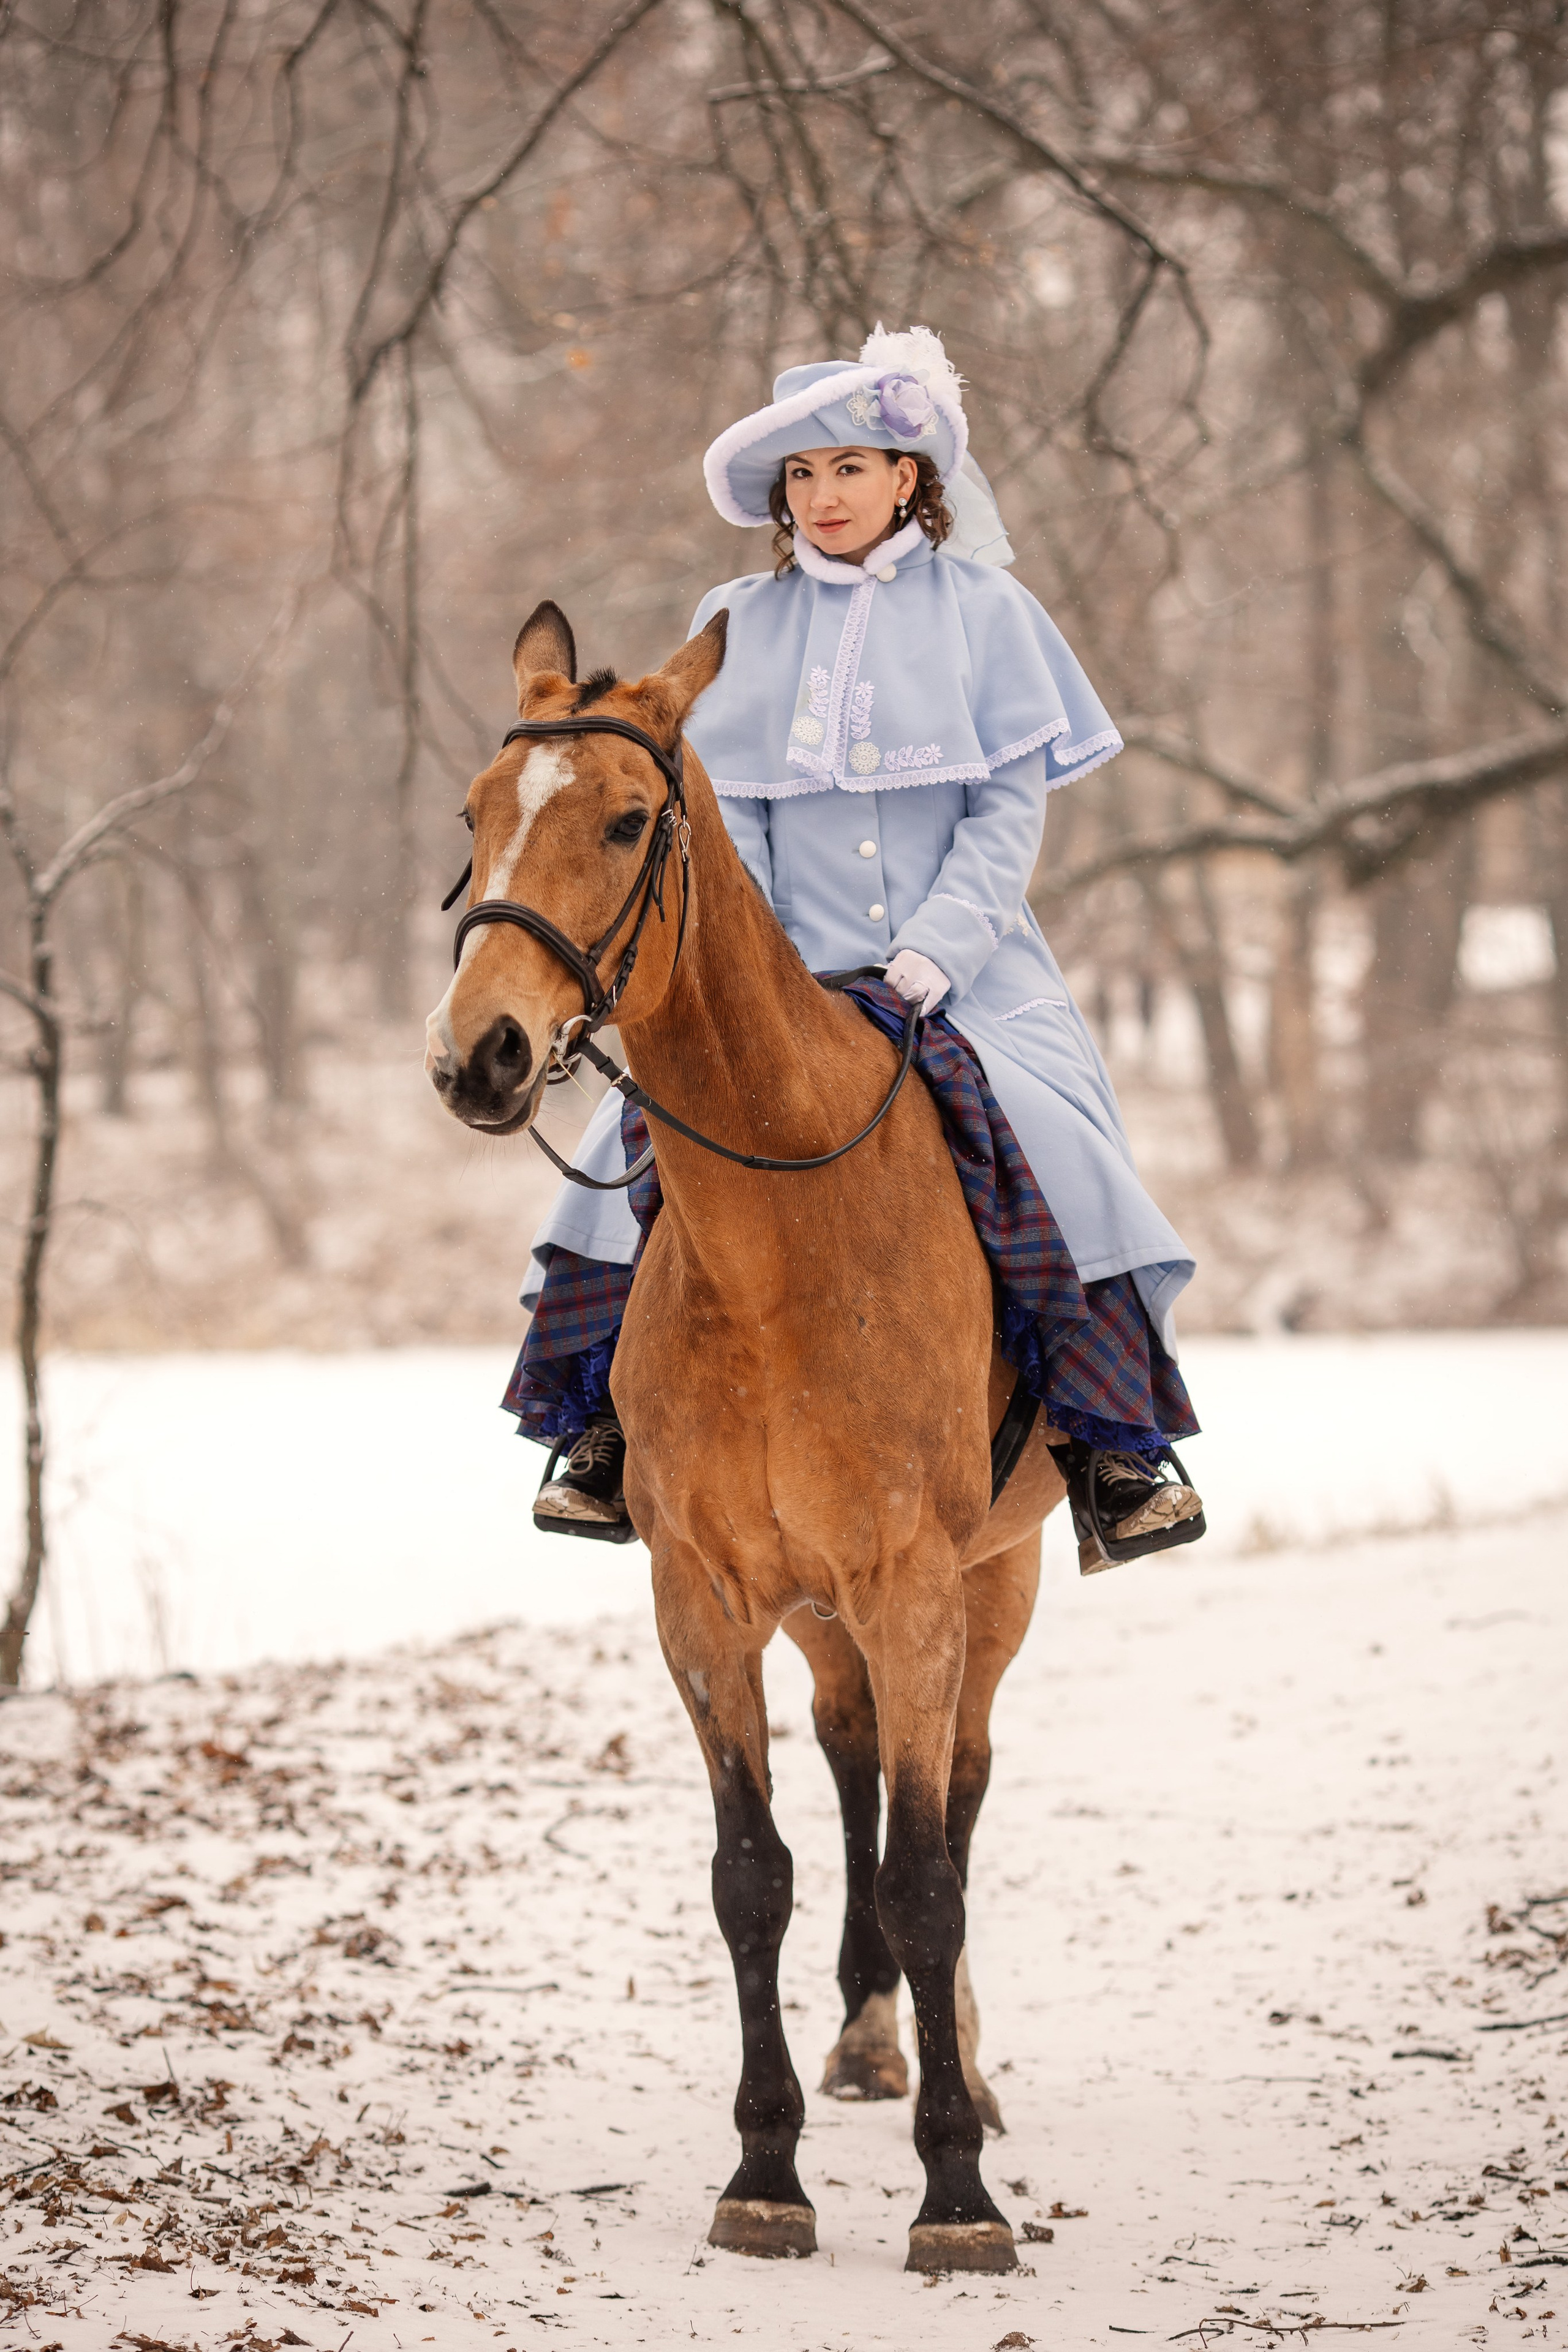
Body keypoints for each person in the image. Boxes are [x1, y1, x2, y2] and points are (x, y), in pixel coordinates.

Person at [514, 325, 1206, 1570]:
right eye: (800, 477)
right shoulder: (734, 619)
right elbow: (738, 814)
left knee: (1057, 1149)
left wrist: (938, 950)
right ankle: (603, 1433)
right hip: (773, 972)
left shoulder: (988, 614)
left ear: (907, 477)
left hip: (969, 974)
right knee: (624, 1155)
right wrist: (775, 967)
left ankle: (1116, 1449)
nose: (820, 496)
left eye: (846, 468)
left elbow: (1006, 810)